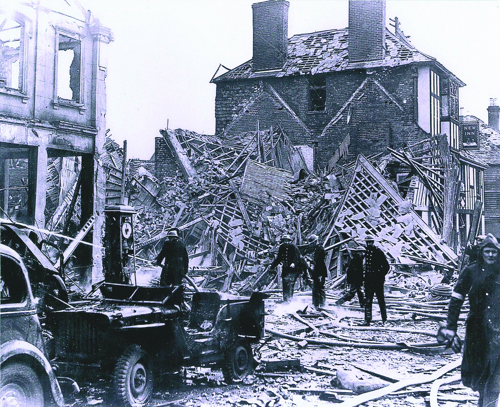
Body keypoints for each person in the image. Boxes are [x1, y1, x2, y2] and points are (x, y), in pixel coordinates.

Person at [437, 234, 500, 407]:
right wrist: (451, 327)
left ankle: (490, 403)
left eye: (494, 252)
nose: (491, 255)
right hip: (477, 329)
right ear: (481, 253)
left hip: (497, 330)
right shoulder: (471, 271)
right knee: (479, 372)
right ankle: (483, 401)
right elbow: (456, 298)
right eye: (487, 251)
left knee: (495, 373)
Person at [361, 235, 390, 326]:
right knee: (368, 301)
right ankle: (367, 320)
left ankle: (384, 320)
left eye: (370, 242)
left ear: (373, 242)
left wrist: (381, 276)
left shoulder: (378, 252)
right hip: (369, 280)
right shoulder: (365, 252)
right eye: (367, 242)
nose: (369, 244)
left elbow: (386, 266)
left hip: (377, 281)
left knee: (381, 300)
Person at [270, 234, 304, 302]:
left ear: (290, 241)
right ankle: (285, 300)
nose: (286, 242)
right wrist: (272, 266)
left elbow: (297, 257)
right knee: (285, 284)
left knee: (290, 284)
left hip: (294, 269)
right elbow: (278, 258)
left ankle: (290, 300)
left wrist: (294, 263)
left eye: (287, 241)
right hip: (286, 268)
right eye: (284, 241)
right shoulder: (281, 247)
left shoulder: (294, 247)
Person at [306, 235, 328, 309]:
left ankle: (322, 305)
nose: (311, 245)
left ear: (315, 241)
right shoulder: (317, 248)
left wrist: (320, 274)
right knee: (316, 288)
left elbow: (319, 262)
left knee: (320, 288)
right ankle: (316, 304)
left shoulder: (319, 248)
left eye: (312, 243)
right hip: (317, 271)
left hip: (320, 271)